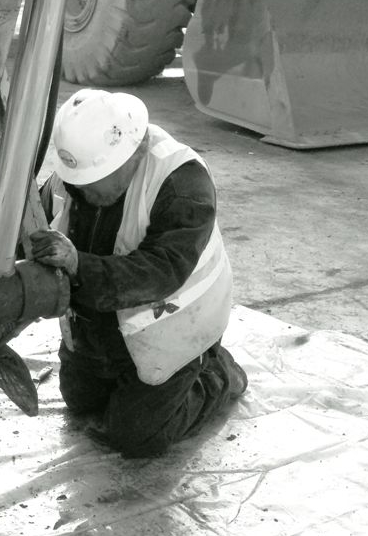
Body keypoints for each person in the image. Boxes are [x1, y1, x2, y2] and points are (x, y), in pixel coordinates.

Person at [29, 89, 247, 458]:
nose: (86, 192)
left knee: (136, 436)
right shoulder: (78, 173)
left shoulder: (181, 183)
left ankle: (217, 371)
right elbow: (42, 212)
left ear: (137, 150)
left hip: (174, 331)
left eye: (97, 181)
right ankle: (123, 379)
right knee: (80, 403)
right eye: (80, 182)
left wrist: (78, 264)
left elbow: (161, 272)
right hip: (101, 323)